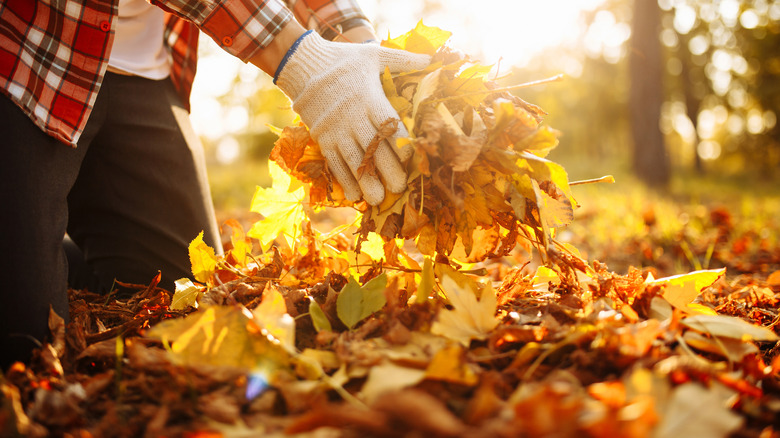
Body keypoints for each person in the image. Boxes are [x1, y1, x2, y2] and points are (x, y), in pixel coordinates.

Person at [0, 0, 430, 369]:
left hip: (141, 70)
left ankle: (41, 246)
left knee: (177, 298)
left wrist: (358, 43)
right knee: (26, 345)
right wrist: (300, 61)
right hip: (28, 52)